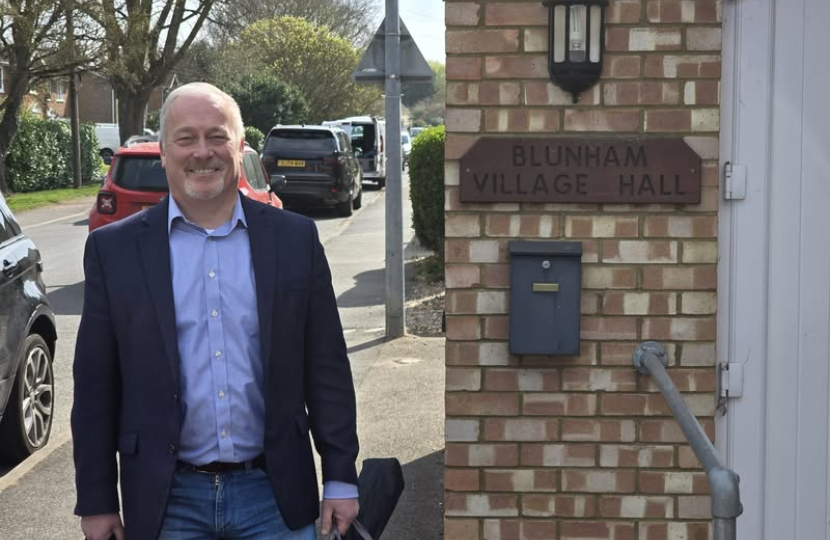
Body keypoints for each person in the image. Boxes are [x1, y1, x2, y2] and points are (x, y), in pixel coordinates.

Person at [71, 82, 359, 540]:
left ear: (240, 148)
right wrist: (98, 499)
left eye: (217, 136)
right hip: (166, 501)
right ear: (164, 152)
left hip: (275, 496)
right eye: (186, 139)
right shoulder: (114, 250)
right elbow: (95, 385)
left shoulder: (295, 240)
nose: (202, 152)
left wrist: (341, 476)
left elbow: (325, 368)